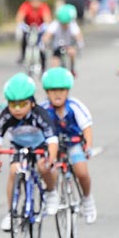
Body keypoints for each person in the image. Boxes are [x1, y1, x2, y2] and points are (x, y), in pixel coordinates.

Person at [0, 73, 59, 232]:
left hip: (40, 145)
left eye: (22, 104)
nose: (18, 109)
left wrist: (51, 159)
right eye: (13, 104)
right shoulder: (6, 114)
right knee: (14, 171)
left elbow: (52, 140)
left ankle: (51, 191)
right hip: (18, 146)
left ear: (32, 102)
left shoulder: (40, 113)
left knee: (44, 167)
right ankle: (12, 213)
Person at [39, 67, 97, 224]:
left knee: (81, 172)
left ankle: (87, 199)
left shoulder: (75, 106)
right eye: (53, 91)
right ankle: (51, 193)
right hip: (52, 145)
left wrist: (88, 146)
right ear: (46, 92)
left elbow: (86, 128)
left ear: (68, 91)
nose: (57, 94)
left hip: (73, 142)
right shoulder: (43, 109)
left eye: (62, 90)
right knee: (47, 169)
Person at [41, 6, 84, 75]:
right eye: (62, 23)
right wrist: (43, 43)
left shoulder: (73, 25)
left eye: (66, 23)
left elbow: (79, 37)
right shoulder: (54, 24)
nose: (64, 25)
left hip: (69, 45)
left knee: (72, 52)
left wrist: (79, 45)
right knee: (54, 65)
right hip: (57, 46)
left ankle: (72, 68)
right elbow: (47, 35)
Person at [15, 0, 52, 66]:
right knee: (24, 38)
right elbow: (19, 17)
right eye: (33, 0)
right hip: (29, 27)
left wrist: (45, 26)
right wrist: (21, 25)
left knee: (42, 43)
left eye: (38, 0)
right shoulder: (25, 6)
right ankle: (23, 55)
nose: (35, 2)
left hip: (40, 28)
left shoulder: (44, 7)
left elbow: (47, 19)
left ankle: (43, 63)